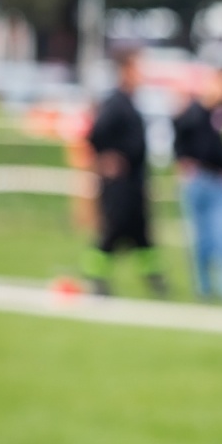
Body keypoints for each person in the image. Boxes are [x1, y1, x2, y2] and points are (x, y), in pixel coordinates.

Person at [82, 46, 166, 296]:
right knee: (114, 230)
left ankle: (155, 280)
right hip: (120, 184)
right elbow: (95, 135)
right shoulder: (115, 103)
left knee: (141, 233)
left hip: (135, 181)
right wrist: (105, 159)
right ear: (125, 70)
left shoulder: (130, 102)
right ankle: (95, 276)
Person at [172, 67, 222, 302]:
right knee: (200, 239)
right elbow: (181, 133)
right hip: (197, 178)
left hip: (221, 180)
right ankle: (204, 288)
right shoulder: (196, 110)